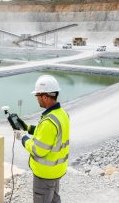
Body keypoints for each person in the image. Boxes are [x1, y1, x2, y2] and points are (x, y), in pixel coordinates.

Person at [15, 75, 70, 203]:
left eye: (37, 96)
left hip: (45, 175)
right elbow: (50, 136)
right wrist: (28, 128)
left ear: (45, 97)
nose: (36, 99)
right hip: (57, 171)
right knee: (54, 199)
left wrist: (23, 137)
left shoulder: (49, 121)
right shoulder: (62, 114)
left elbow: (38, 150)